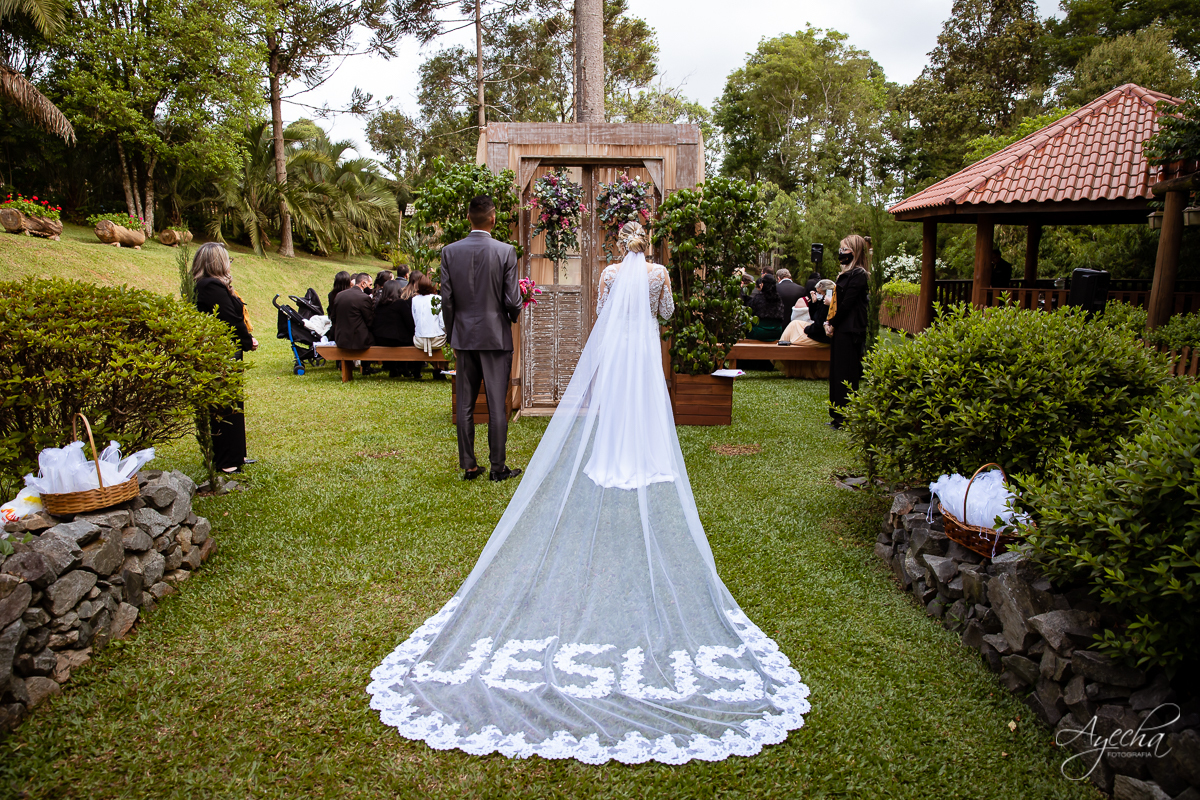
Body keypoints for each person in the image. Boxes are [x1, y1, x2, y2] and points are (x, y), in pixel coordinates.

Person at [367, 220, 810, 765]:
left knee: (614, 400)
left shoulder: (606, 276)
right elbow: (667, 314)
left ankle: (610, 453)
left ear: (619, 245)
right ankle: (643, 452)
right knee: (643, 399)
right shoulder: (659, 273)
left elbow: (601, 316)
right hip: (643, 344)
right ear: (647, 244)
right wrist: (649, 310)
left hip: (619, 345)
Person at [440, 195, 523, 482]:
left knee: (465, 403)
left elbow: (447, 301)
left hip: (464, 337)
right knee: (496, 404)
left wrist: (453, 335)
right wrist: (515, 313)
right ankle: (498, 467)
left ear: (468, 218)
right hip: (496, 337)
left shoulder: (449, 252)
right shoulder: (506, 251)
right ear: (493, 218)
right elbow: (512, 300)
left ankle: (469, 466)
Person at [193, 242, 258, 473]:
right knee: (225, 406)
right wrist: (248, 340)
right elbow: (230, 318)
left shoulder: (213, 285)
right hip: (221, 353)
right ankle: (228, 461)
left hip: (227, 352)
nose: (229, 264)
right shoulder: (210, 285)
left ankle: (237, 455)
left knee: (233, 403)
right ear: (217, 262)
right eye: (227, 260)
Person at [824, 236, 870, 428]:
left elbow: (847, 304)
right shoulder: (846, 274)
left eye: (844, 249)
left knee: (846, 372)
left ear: (855, 251)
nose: (841, 253)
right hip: (840, 327)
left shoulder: (859, 275)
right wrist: (829, 322)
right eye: (840, 249)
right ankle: (837, 414)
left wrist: (833, 323)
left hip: (850, 329)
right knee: (837, 371)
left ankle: (846, 416)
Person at [372, 278, 417, 377]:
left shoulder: (379, 305)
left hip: (380, 339)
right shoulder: (400, 304)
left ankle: (393, 369)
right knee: (407, 339)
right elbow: (409, 322)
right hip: (397, 339)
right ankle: (403, 368)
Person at [410, 273, 448, 381]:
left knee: (437, 334)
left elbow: (415, 319)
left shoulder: (414, 300)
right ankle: (439, 369)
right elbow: (442, 323)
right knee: (443, 335)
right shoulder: (438, 299)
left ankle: (436, 368)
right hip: (437, 341)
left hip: (419, 340)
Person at [330, 272, 375, 350]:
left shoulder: (339, 295)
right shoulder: (364, 298)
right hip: (359, 342)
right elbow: (369, 321)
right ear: (363, 284)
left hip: (341, 340)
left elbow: (333, 317)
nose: (371, 288)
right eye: (370, 285)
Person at [746, 273, 786, 341]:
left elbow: (749, 313)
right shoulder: (778, 299)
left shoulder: (757, 298)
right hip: (776, 331)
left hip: (759, 331)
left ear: (763, 284)